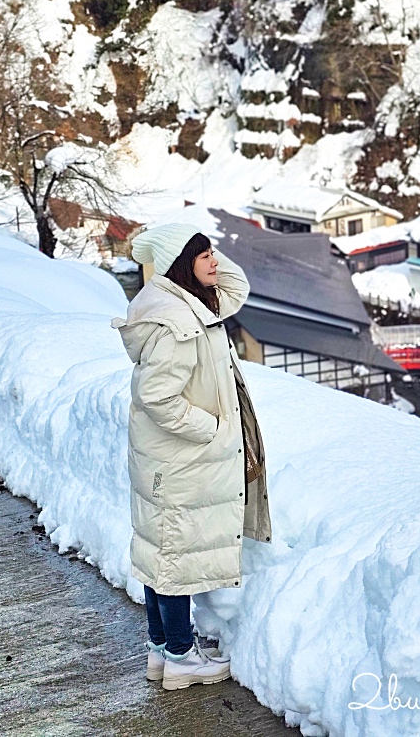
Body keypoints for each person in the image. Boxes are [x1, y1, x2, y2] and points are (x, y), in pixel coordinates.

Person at [112, 224, 272, 691]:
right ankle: (181, 655)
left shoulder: (185, 302)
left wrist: (186, 246)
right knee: (173, 557)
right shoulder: (178, 322)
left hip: (168, 461)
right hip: (181, 459)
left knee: (160, 551)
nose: (216, 263)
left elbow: (237, 286)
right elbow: (156, 396)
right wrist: (212, 429)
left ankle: (162, 649)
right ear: (182, 264)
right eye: (204, 256)